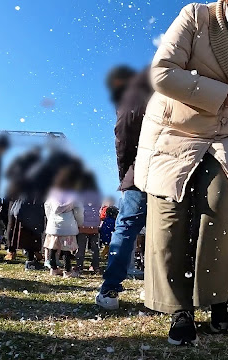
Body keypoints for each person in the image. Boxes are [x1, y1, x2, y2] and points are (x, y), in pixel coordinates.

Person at [133, 0, 228, 345]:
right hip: (174, 131)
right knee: (171, 215)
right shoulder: (195, 17)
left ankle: (217, 299)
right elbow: (162, 73)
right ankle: (178, 309)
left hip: (221, 135)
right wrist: (227, 95)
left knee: (223, 210)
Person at [95, 65, 152, 310]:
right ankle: (172, 290)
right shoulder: (179, 86)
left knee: (127, 226)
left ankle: (110, 289)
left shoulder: (134, 95)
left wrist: (125, 174)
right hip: (176, 169)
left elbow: (124, 136)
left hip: (142, 171)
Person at [43, 165, 84, 277]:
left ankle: (53, 269)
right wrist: (79, 222)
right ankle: (68, 270)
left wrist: (50, 218)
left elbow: (47, 206)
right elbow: (79, 210)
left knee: (52, 247)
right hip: (68, 224)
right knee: (66, 249)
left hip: (53, 224)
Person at [76, 171, 102, 274]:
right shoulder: (97, 195)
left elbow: (78, 208)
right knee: (95, 248)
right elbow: (99, 207)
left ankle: (79, 266)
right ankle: (95, 266)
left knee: (81, 247)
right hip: (94, 225)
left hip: (83, 224)